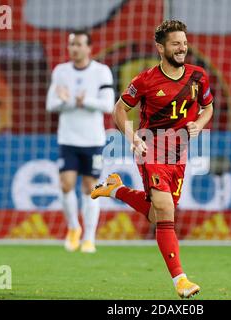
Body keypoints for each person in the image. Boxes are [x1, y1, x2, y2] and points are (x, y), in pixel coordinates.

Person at [91, 20, 214, 298]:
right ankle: (180, 280)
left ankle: (116, 189)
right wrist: (132, 137)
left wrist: (199, 123)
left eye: (184, 42)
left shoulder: (198, 76)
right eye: (175, 44)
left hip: (179, 151)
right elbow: (119, 110)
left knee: (155, 214)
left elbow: (208, 107)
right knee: (165, 210)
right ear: (161, 48)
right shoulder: (145, 80)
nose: (182, 48)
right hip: (152, 147)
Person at [46, 30, 114, 253]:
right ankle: (73, 228)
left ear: (88, 48)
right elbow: (50, 104)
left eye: (78, 44)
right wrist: (64, 101)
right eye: (71, 44)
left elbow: (108, 105)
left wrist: (86, 101)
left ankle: (89, 237)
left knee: (90, 188)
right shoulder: (61, 71)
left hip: (93, 139)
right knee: (66, 184)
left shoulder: (101, 71)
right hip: (68, 138)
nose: (74, 48)